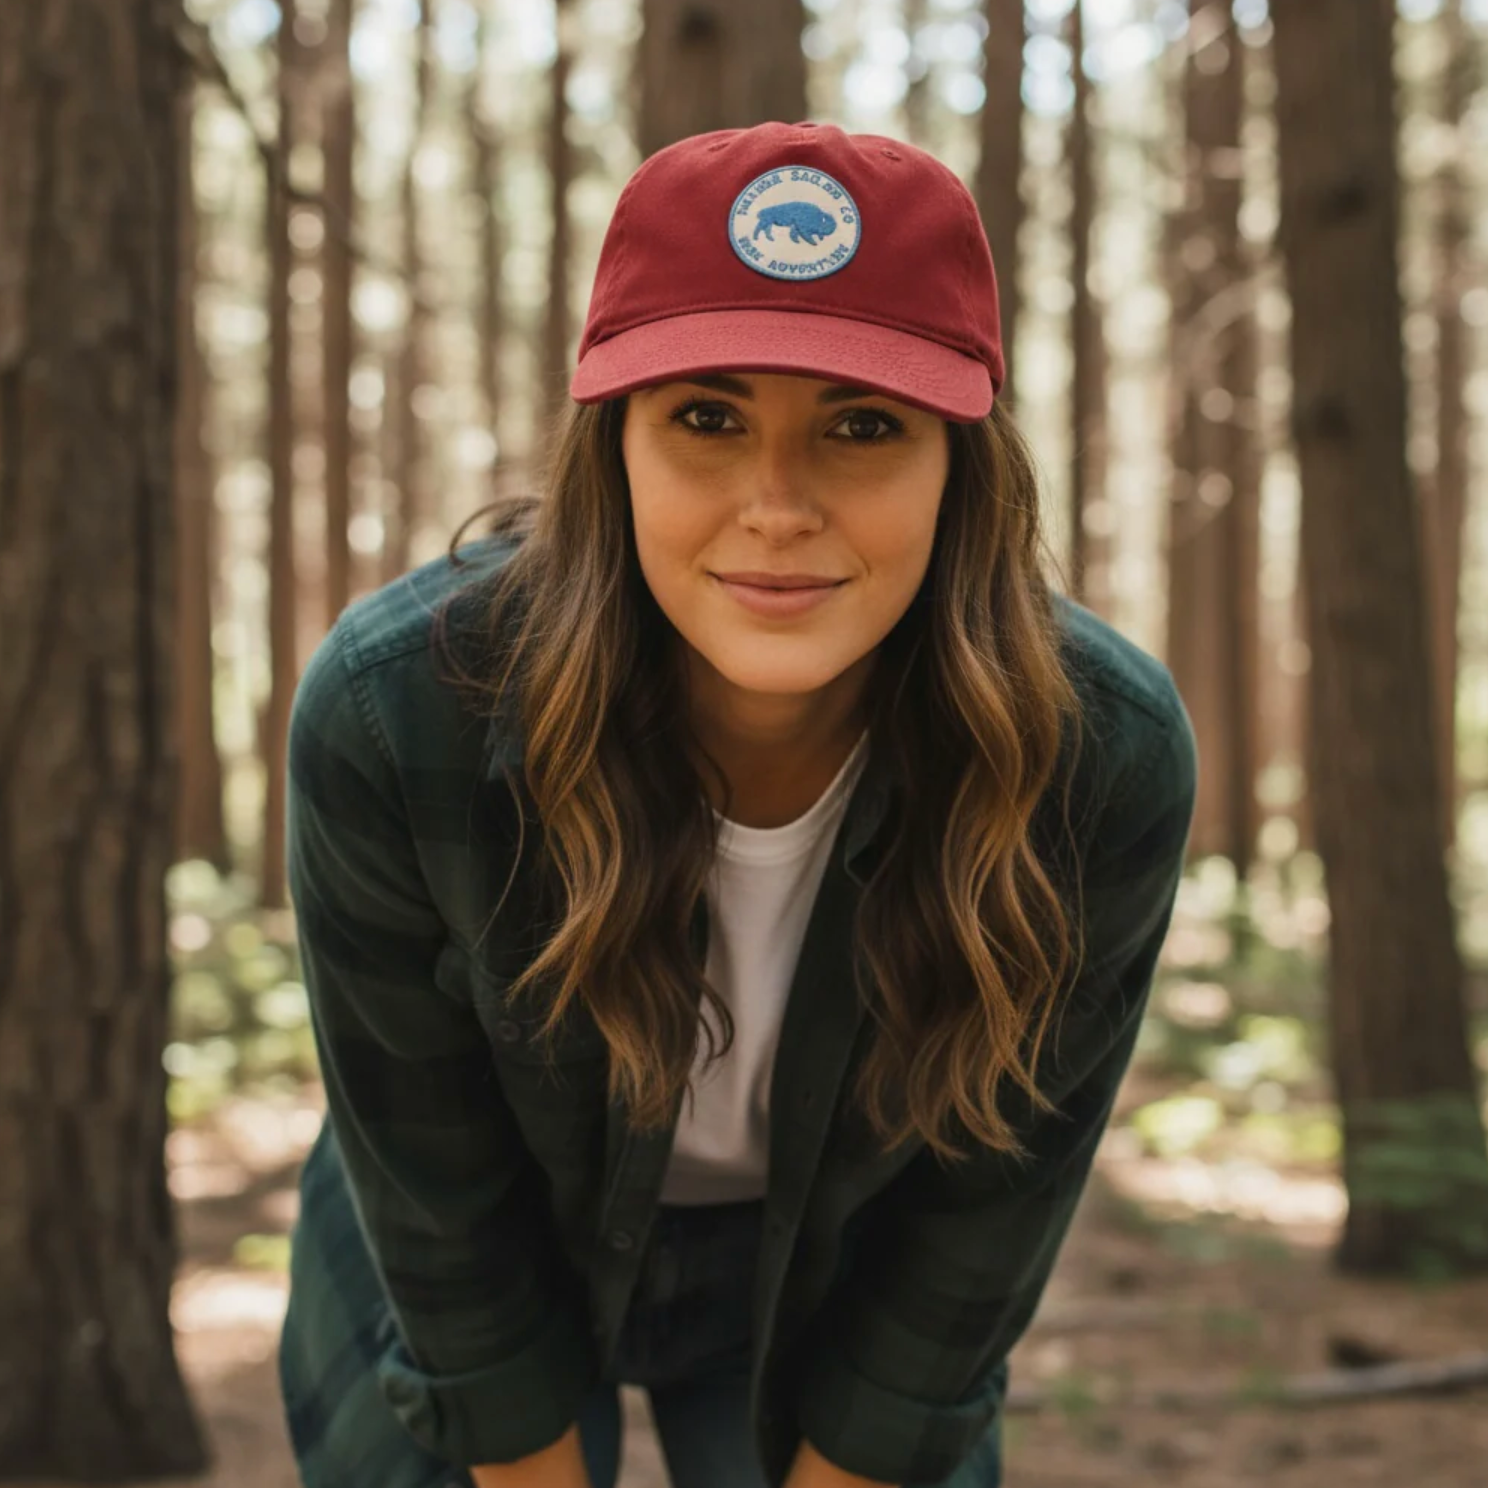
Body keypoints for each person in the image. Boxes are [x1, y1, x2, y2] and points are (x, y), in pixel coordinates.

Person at [276, 120, 1198, 1488]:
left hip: (844, 1254)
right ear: (616, 448)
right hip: (473, 1232)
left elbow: (984, 1215)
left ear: (963, 468)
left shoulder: (1092, 758)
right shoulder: (393, 712)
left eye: (863, 425)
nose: (777, 505)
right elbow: (435, 1187)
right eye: (707, 417)